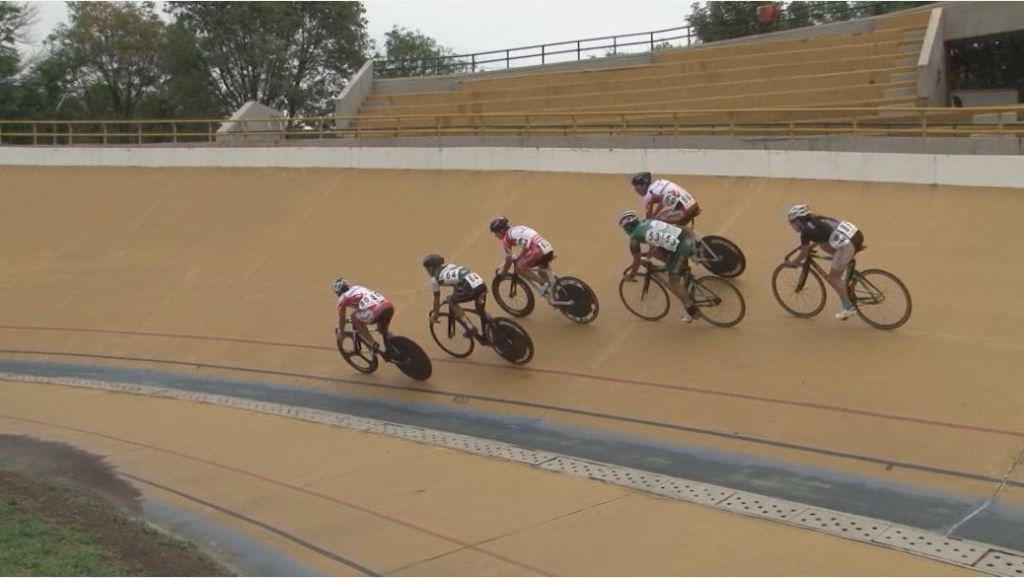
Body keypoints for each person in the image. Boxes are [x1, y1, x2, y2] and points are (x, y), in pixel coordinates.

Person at [782, 204, 866, 320]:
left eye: (792, 222)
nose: (792, 225)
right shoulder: (818, 219)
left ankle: (848, 308)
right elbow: (822, 236)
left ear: (798, 220)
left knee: (834, 278)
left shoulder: (805, 231)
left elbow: (803, 254)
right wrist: (810, 247)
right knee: (823, 246)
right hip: (855, 236)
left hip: (847, 245)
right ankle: (845, 262)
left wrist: (793, 262)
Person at [618, 210, 700, 322]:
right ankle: (682, 270)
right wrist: (650, 254)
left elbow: (636, 261)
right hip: (688, 237)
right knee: (660, 254)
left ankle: (692, 311)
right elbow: (655, 239)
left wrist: (631, 276)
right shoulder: (648, 221)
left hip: (681, 248)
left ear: (628, 227)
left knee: (673, 281)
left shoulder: (634, 238)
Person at [488, 216, 556, 299]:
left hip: (538, 251)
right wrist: (519, 258)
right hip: (547, 248)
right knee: (542, 270)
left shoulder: (506, 239)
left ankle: (544, 284)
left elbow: (509, 259)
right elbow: (527, 245)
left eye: (495, 233)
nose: (495, 236)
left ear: (501, 230)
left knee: (519, 268)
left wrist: (504, 272)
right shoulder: (517, 229)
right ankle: (556, 285)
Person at [422, 253, 488, 337]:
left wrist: (435, 316)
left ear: (431, 268)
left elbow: (436, 301)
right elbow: (456, 284)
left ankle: (470, 327)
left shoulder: (435, 279)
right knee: (480, 310)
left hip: (471, 288)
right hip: (480, 283)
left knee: (451, 301)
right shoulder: (450, 266)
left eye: (426, 269)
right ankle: (489, 329)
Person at [332, 277, 394, 351]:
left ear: (337, 292)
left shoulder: (343, 298)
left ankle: (372, 344)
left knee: (354, 317)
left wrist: (342, 332)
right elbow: (365, 305)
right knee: (383, 330)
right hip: (387, 306)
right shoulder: (357, 288)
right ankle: (396, 346)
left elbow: (341, 317)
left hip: (375, 311)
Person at [630, 171, 702, 227]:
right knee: (663, 218)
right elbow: (662, 201)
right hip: (692, 204)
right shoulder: (660, 183)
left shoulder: (649, 195)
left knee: (659, 221)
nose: (636, 191)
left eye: (637, 188)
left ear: (644, 185)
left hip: (685, 209)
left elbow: (649, 219)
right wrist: (655, 214)